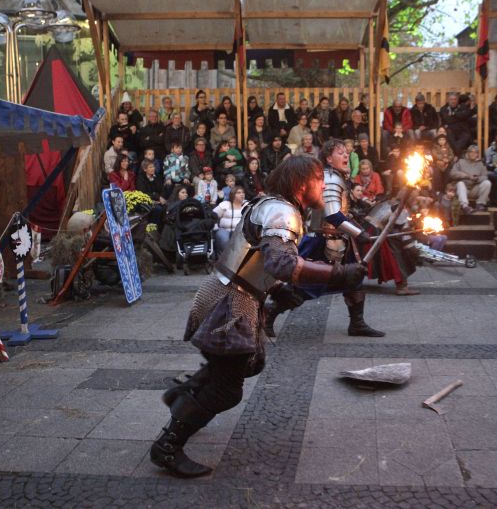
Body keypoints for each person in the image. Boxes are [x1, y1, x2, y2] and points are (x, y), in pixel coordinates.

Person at [150, 155, 367, 478]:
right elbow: (281, 263)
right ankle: (168, 446)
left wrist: (276, 289)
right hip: (230, 302)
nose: (323, 187)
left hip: (226, 291)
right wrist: (338, 274)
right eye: (319, 180)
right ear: (301, 183)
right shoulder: (282, 212)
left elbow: (250, 256)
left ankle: (185, 395)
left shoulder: (268, 204)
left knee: (239, 365)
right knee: (227, 389)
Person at [291, 139, 382, 337]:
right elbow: (333, 215)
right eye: (340, 153)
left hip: (338, 240)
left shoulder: (335, 177)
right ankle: (270, 314)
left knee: (354, 279)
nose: (346, 155)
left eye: (346, 153)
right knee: (306, 286)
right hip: (323, 242)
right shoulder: (331, 179)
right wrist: (359, 233)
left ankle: (357, 324)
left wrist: (358, 228)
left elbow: (343, 213)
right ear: (329, 159)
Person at [450, 145, 491, 214]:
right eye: (471, 152)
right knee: (460, 184)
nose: (473, 154)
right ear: (468, 153)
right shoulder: (461, 162)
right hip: (463, 189)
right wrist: (467, 176)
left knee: (487, 183)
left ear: (477, 154)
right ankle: (465, 206)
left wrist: (477, 179)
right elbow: (452, 173)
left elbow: (485, 176)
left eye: (475, 152)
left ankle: (480, 204)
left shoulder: (480, 164)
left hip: (474, 188)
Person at [212, 185, 246, 256]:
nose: (242, 194)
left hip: (241, 231)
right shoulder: (225, 204)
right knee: (224, 239)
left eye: (243, 192)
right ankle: (225, 258)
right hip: (225, 230)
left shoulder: (247, 205)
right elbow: (212, 216)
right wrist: (215, 227)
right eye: (239, 193)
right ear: (233, 194)